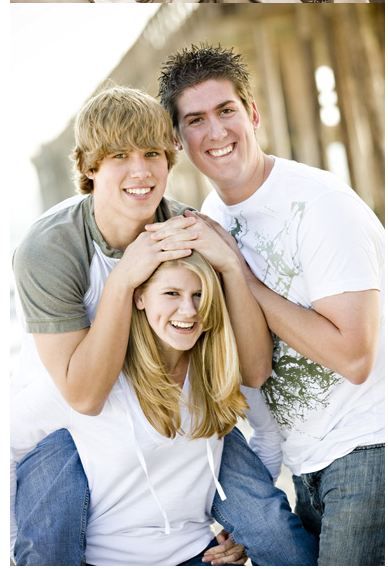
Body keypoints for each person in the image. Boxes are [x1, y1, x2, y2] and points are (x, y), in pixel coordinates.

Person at [11, 85, 318, 566]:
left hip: (179, 411)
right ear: (90, 167)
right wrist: (127, 275)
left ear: (171, 158)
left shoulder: (189, 233)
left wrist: (232, 269)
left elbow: (252, 372)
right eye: (118, 156)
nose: (141, 171)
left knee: (274, 533)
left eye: (153, 153)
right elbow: (85, 396)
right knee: (48, 546)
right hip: (70, 423)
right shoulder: (51, 249)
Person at [158, 43, 385, 566]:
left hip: (370, 447)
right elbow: (254, 375)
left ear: (252, 113)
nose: (215, 132)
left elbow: (355, 358)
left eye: (226, 111)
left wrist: (238, 270)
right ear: (178, 139)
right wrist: (246, 513)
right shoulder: (213, 219)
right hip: (303, 463)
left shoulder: (322, 205)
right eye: (196, 120)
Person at [12, 250, 254, 566]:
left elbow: (267, 430)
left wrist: (247, 526)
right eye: (171, 293)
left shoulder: (214, 370)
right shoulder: (87, 382)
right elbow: (9, 440)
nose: (189, 308)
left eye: (199, 295)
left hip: (197, 553)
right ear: (140, 298)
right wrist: (11, 547)